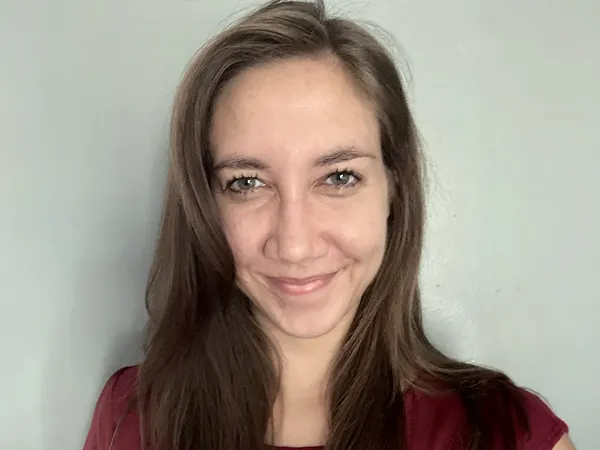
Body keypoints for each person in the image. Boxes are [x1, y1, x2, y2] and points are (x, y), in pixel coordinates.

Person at [82, 1, 575, 449]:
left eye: (339, 177)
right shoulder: (130, 418)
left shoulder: (510, 434)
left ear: (393, 187)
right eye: (247, 182)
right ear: (204, 202)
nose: (295, 245)